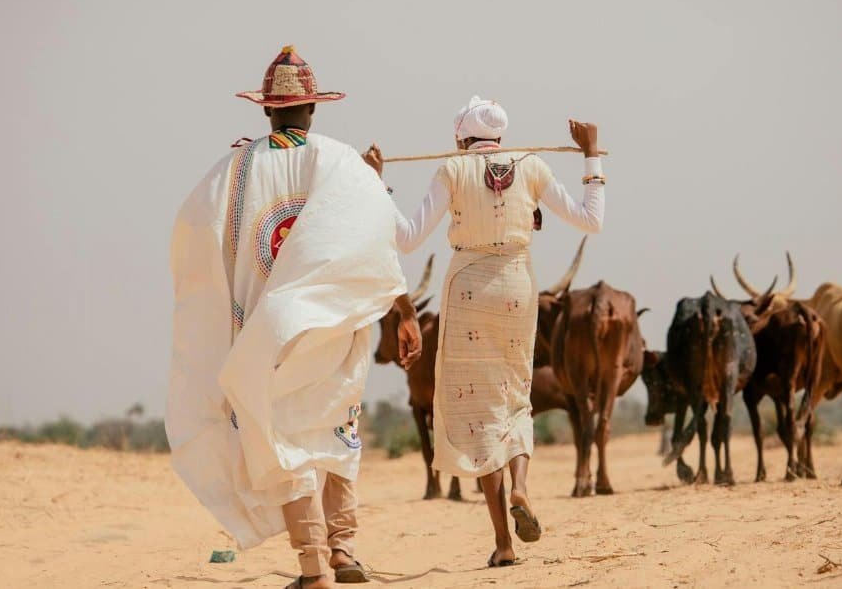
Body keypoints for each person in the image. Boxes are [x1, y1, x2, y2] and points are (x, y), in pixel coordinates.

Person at [167, 45, 422, 589]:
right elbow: (376, 238)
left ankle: (313, 568)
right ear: (312, 109)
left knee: (284, 443)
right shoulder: (342, 162)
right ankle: (345, 548)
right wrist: (404, 310)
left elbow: (193, 233)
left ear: (266, 110)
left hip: (268, 334)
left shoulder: (233, 169)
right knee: (337, 432)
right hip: (335, 327)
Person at [364, 96, 605, 568]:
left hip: (469, 289)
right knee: (517, 398)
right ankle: (522, 487)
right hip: (518, 288)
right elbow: (591, 221)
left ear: (460, 137)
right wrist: (592, 152)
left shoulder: (453, 170)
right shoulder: (532, 166)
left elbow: (407, 236)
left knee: (480, 414)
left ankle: (503, 543)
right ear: (501, 137)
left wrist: (377, 185)